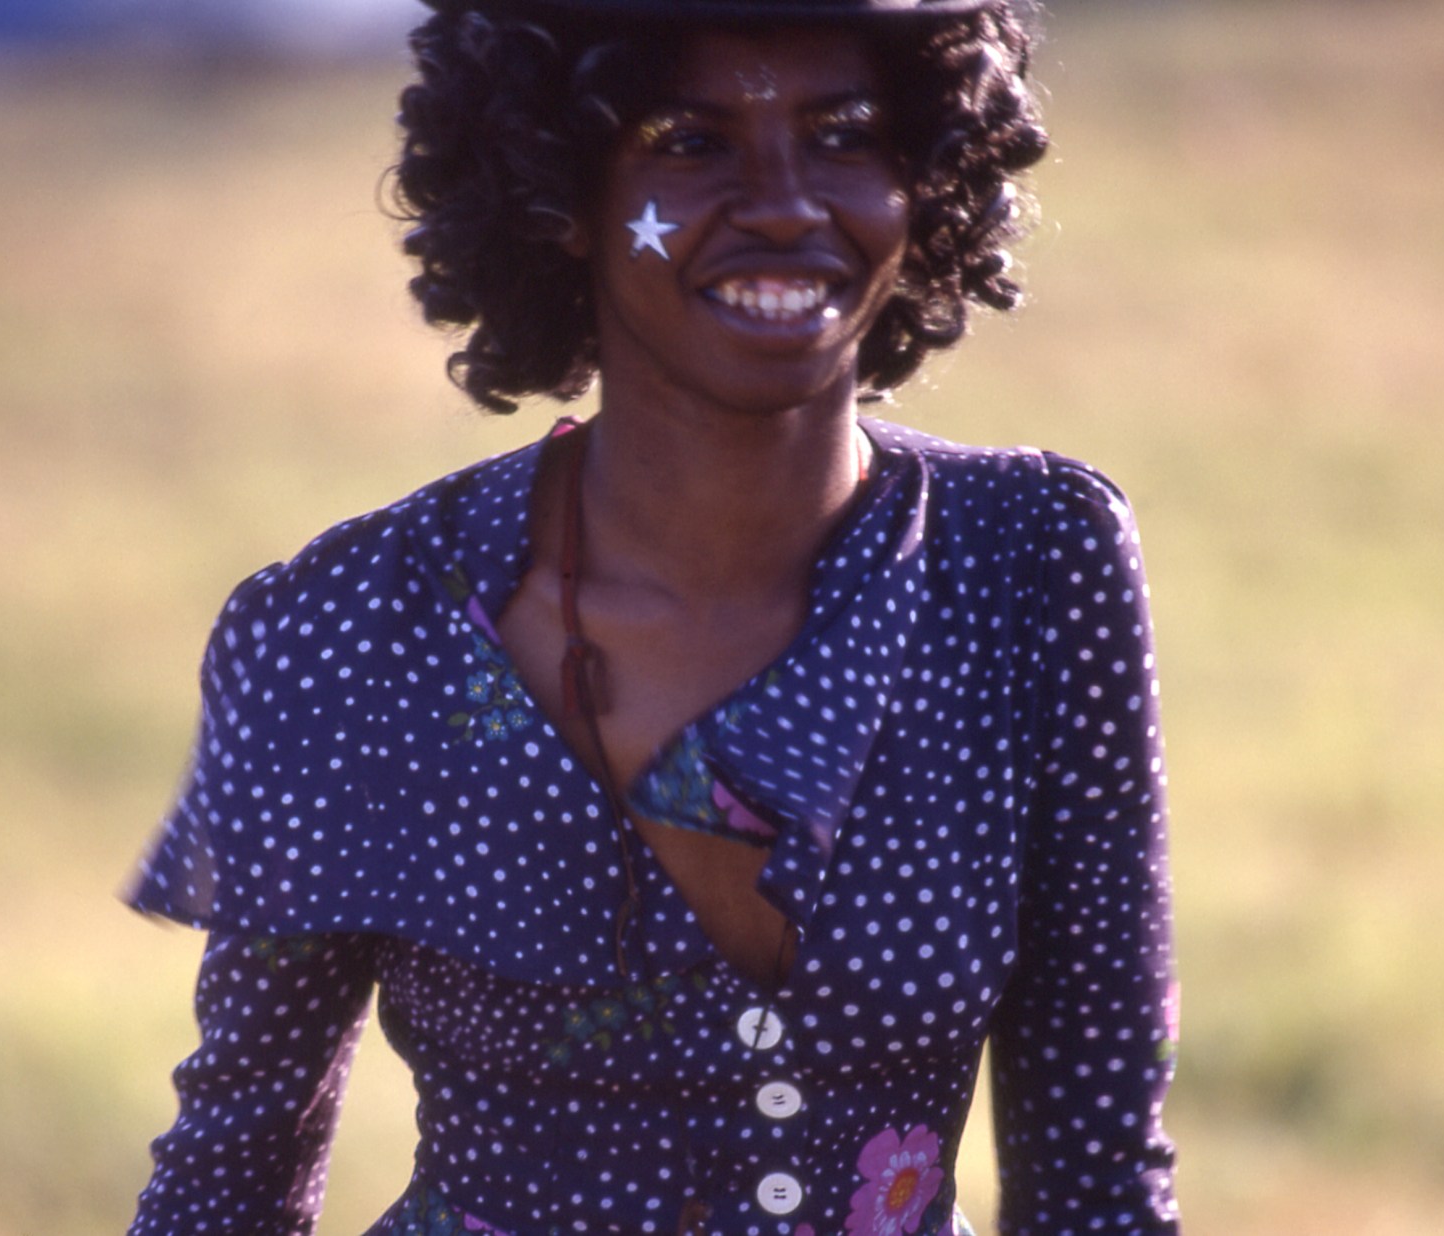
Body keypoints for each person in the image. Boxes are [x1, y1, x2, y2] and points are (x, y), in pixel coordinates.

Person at [123, 0, 1181, 1232]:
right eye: (689, 142)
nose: (786, 203)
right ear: (559, 194)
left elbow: (1098, 1183)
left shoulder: (1032, 564)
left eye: (844, 138)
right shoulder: (344, 628)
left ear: (926, 179)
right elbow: (228, 1181)